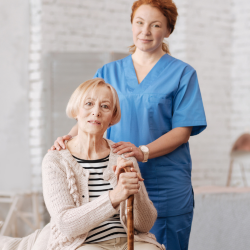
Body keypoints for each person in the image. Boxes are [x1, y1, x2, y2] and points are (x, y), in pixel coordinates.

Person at [51, 0, 207, 249]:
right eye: (139, 23)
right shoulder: (108, 72)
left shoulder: (182, 74)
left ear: (168, 30)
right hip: (113, 184)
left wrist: (142, 151)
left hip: (165, 185)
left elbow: (183, 131)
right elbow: (90, 115)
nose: (145, 31)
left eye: (156, 25)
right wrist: (67, 139)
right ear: (132, 25)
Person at [0, 78, 163, 250]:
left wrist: (133, 191)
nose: (96, 112)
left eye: (105, 106)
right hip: (82, 243)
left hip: (130, 241)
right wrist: (115, 196)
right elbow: (67, 225)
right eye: (89, 104)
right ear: (76, 110)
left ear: (113, 117)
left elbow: (144, 225)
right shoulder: (56, 160)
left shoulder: (124, 157)